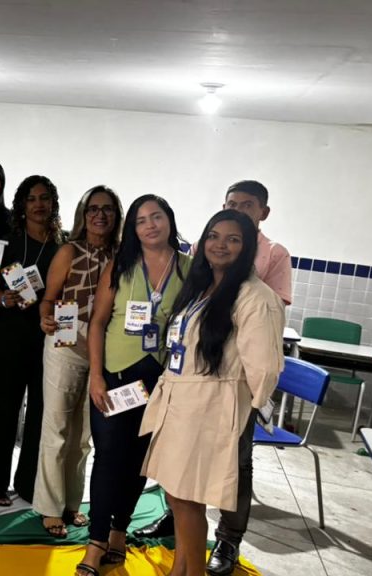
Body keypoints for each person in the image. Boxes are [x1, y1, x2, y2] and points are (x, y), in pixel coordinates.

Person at [134, 180, 292, 576]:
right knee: (178, 497)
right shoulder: (202, 287)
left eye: (233, 240)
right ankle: (181, 569)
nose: (221, 245)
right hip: (181, 404)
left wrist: (238, 413)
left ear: (248, 246)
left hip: (211, 411)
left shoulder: (256, 297)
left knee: (188, 500)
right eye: (213, 237)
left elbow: (265, 369)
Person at [74, 195, 190, 575]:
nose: (150, 225)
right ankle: (95, 543)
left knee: (140, 460)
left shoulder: (190, 269)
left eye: (157, 217)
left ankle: (119, 530)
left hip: (160, 383)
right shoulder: (120, 265)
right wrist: (96, 376)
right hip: (115, 378)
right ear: (133, 229)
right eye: (141, 220)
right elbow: (97, 323)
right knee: (108, 456)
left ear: (169, 220)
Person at [34, 186, 122, 538]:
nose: (100, 215)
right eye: (93, 208)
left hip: (106, 349)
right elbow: (48, 299)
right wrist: (45, 318)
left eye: (107, 209)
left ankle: (72, 503)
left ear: (116, 215)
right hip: (65, 342)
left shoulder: (123, 255)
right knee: (56, 427)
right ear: (84, 215)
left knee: (85, 434)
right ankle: (49, 507)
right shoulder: (69, 251)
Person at [0, 175, 61, 506]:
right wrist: (2, 297)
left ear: (53, 203)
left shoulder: (63, 246)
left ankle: (28, 484)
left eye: (45, 198)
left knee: (40, 413)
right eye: (31, 198)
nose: (39, 204)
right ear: (22, 205)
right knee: (3, 411)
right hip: (8, 336)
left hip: (48, 340)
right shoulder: (6, 243)